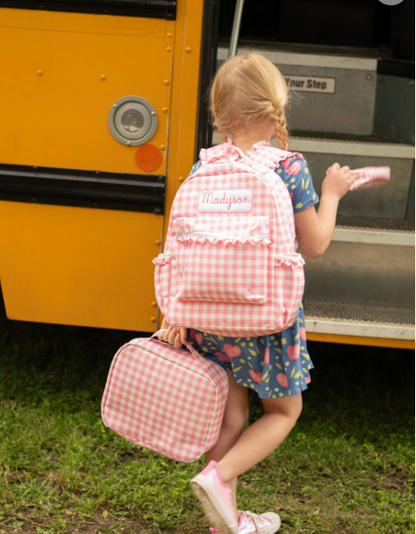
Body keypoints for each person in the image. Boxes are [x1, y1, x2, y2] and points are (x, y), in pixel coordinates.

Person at [158, 52, 356, 534]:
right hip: (266, 318)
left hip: (207, 314)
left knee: (230, 418)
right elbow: (315, 245)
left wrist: (175, 309)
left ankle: (222, 519)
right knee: (285, 411)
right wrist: (331, 193)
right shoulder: (289, 167)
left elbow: (182, 243)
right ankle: (219, 477)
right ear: (276, 108)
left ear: (220, 113)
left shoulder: (203, 167)